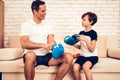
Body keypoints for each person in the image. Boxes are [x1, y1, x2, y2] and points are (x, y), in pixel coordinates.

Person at [20, 0, 73, 80]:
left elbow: (51, 39)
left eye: (46, 10)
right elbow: (24, 43)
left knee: (69, 57)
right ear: (35, 11)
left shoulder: (48, 24)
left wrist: (53, 45)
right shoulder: (26, 25)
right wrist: (42, 45)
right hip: (32, 56)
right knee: (30, 55)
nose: (45, 13)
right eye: (43, 11)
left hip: (47, 56)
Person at [72, 12, 98, 80]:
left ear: (91, 22)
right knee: (75, 67)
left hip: (92, 57)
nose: (82, 21)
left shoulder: (93, 33)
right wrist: (73, 44)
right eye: (82, 19)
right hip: (82, 56)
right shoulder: (81, 33)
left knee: (85, 67)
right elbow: (82, 47)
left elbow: (92, 49)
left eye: (84, 20)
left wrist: (86, 40)